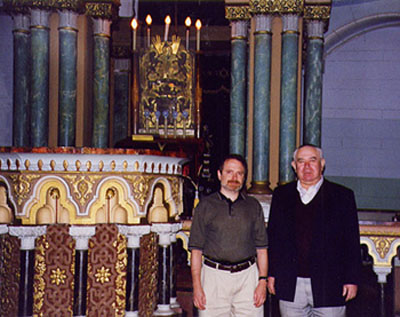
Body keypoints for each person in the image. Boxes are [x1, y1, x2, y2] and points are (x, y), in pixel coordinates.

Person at [267, 145, 361, 316]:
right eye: (301, 162)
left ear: (322, 164)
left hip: (330, 283)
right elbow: (274, 239)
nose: (307, 167)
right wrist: (271, 274)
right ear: (294, 166)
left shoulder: (342, 196)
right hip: (290, 283)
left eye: (312, 160)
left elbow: (351, 242)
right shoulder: (281, 195)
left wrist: (351, 279)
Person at [189, 154, 268, 316]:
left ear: (244, 178)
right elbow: (196, 250)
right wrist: (197, 286)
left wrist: (262, 281)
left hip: (247, 278)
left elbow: (262, 249)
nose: (234, 177)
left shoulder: (253, 206)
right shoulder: (205, 206)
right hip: (214, 278)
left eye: (239, 173)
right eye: (229, 172)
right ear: (219, 175)